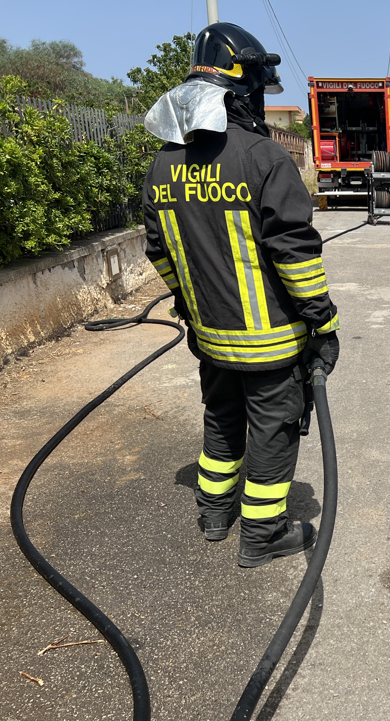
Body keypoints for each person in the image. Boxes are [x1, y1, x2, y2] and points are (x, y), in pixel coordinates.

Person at [141, 22, 339, 567]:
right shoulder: (263, 158)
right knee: (273, 432)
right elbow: (296, 255)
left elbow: (161, 253)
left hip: (211, 336)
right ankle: (262, 534)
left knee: (221, 420)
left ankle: (213, 512)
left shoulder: (162, 165)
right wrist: (322, 322)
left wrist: (189, 306)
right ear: (241, 86)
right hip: (270, 341)